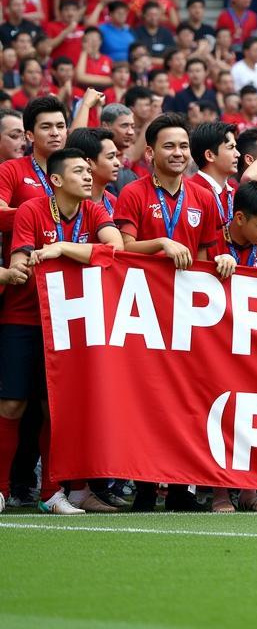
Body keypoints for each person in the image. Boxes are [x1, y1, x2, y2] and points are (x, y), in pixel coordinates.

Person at [112, 112, 222, 513]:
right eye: (169, 146)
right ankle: (143, 488)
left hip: (190, 315)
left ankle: (181, 490)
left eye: (183, 147)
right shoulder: (134, 193)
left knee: (188, 402)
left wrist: (220, 265)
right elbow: (121, 249)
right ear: (150, 151)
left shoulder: (203, 197)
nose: (178, 153)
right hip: (142, 312)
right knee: (147, 402)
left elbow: (209, 254)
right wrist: (161, 242)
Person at [3, 148, 123, 515]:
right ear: (56, 180)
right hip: (23, 317)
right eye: (79, 172)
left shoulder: (94, 209)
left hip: (71, 322)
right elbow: (20, 260)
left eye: (89, 170)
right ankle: (2, 489)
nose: (88, 177)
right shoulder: (33, 209)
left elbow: (114, 249)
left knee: (54, 408)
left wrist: (60, 249)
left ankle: (51, 493)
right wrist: (23, 264)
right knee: (11, 405)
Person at [206, 181, 257, 514]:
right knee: (219, 414)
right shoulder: (210, 244)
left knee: (252, 415)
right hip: (215, 344)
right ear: (238, 217)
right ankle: (220, 492)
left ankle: (250, 490)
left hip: (255, 345)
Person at [0, 96, 69, 248]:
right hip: (26, 266)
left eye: (60, 126)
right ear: (29, 135)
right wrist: (42, 215)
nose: (55, 133)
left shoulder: (79, 172)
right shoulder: (10, 169)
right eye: (46, 127)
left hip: (71, 266)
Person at [187, 121, 240, 228]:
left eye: (236, 148)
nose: (238, 154)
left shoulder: (233, 192)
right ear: (210, 155)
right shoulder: (188, 192)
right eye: (230, 147)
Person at [66, 127, 121, 217]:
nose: (118, 163)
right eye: (110, 157)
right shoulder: (66, 206)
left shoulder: (114, 202)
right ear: (88, 163)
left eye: (116, 156)